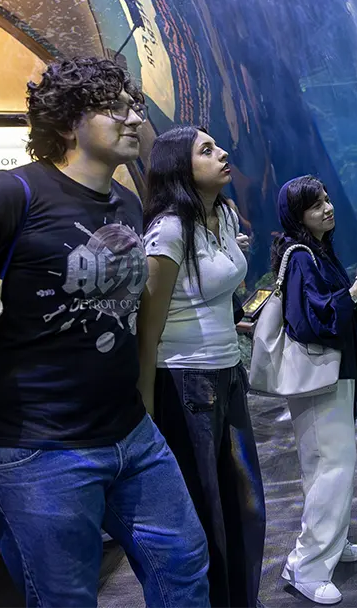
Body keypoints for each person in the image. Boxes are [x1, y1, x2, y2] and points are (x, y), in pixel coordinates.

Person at [0, 57, 210, 606]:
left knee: (186, 567)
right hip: (34, 452)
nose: (132, 117)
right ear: (70, 121)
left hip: (129, 435)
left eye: (133, 105)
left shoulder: (122, 201)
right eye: (112, 106)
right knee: (64, 598)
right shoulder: (2, 197)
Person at [137, 126, 266, 608]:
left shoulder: (226, 215)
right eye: (206, 150)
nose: (223, 153)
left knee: (245, 506)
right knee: (204, 509)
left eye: (217, 146)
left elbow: (216, 291)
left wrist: (234, 323)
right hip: (184, 380)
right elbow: (148, 330)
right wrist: (145, 409)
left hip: (228, 373)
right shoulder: (169, 231)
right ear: (178, 167)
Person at [271, 175, 357, 605]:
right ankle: (307, 566)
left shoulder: (317, 251)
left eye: (326, 199)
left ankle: (329, 547)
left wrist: (353, 295)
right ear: (297, 215)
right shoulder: (300, 257)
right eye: (315, 204)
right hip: (319, 380)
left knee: (330, 468)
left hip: (330, 376)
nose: (327, 207)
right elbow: (307, 322)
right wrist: (352, 295)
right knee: (330, 468)